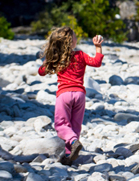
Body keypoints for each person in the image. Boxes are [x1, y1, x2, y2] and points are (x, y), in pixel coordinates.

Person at [38, 27, 104, 166]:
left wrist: (48, 58)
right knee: (75, 126)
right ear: (71, 41)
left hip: (64, 95)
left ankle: (73, 142)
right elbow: (96, 62)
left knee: (61, 125)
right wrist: (98, 47)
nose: (77, 38)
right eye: (75, 36)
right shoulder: (80, 54)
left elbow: (41, 72)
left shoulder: (56, 58)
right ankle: (69, 155)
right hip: (80, 95)